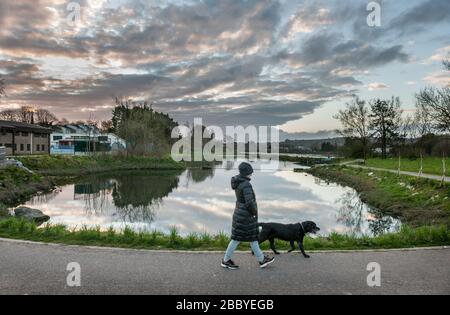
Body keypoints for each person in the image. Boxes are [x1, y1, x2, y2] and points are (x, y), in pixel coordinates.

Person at [221, 162, 275, 270]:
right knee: (238, 238)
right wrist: (254, 212)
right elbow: (249, 202)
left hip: (240, 213)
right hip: (246, 216)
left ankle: (261, 259)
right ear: (247, 173)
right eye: (250, 172)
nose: (251, 174)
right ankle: (226, 260)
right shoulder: (246, 184)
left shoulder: (239, 181)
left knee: (252, 238)